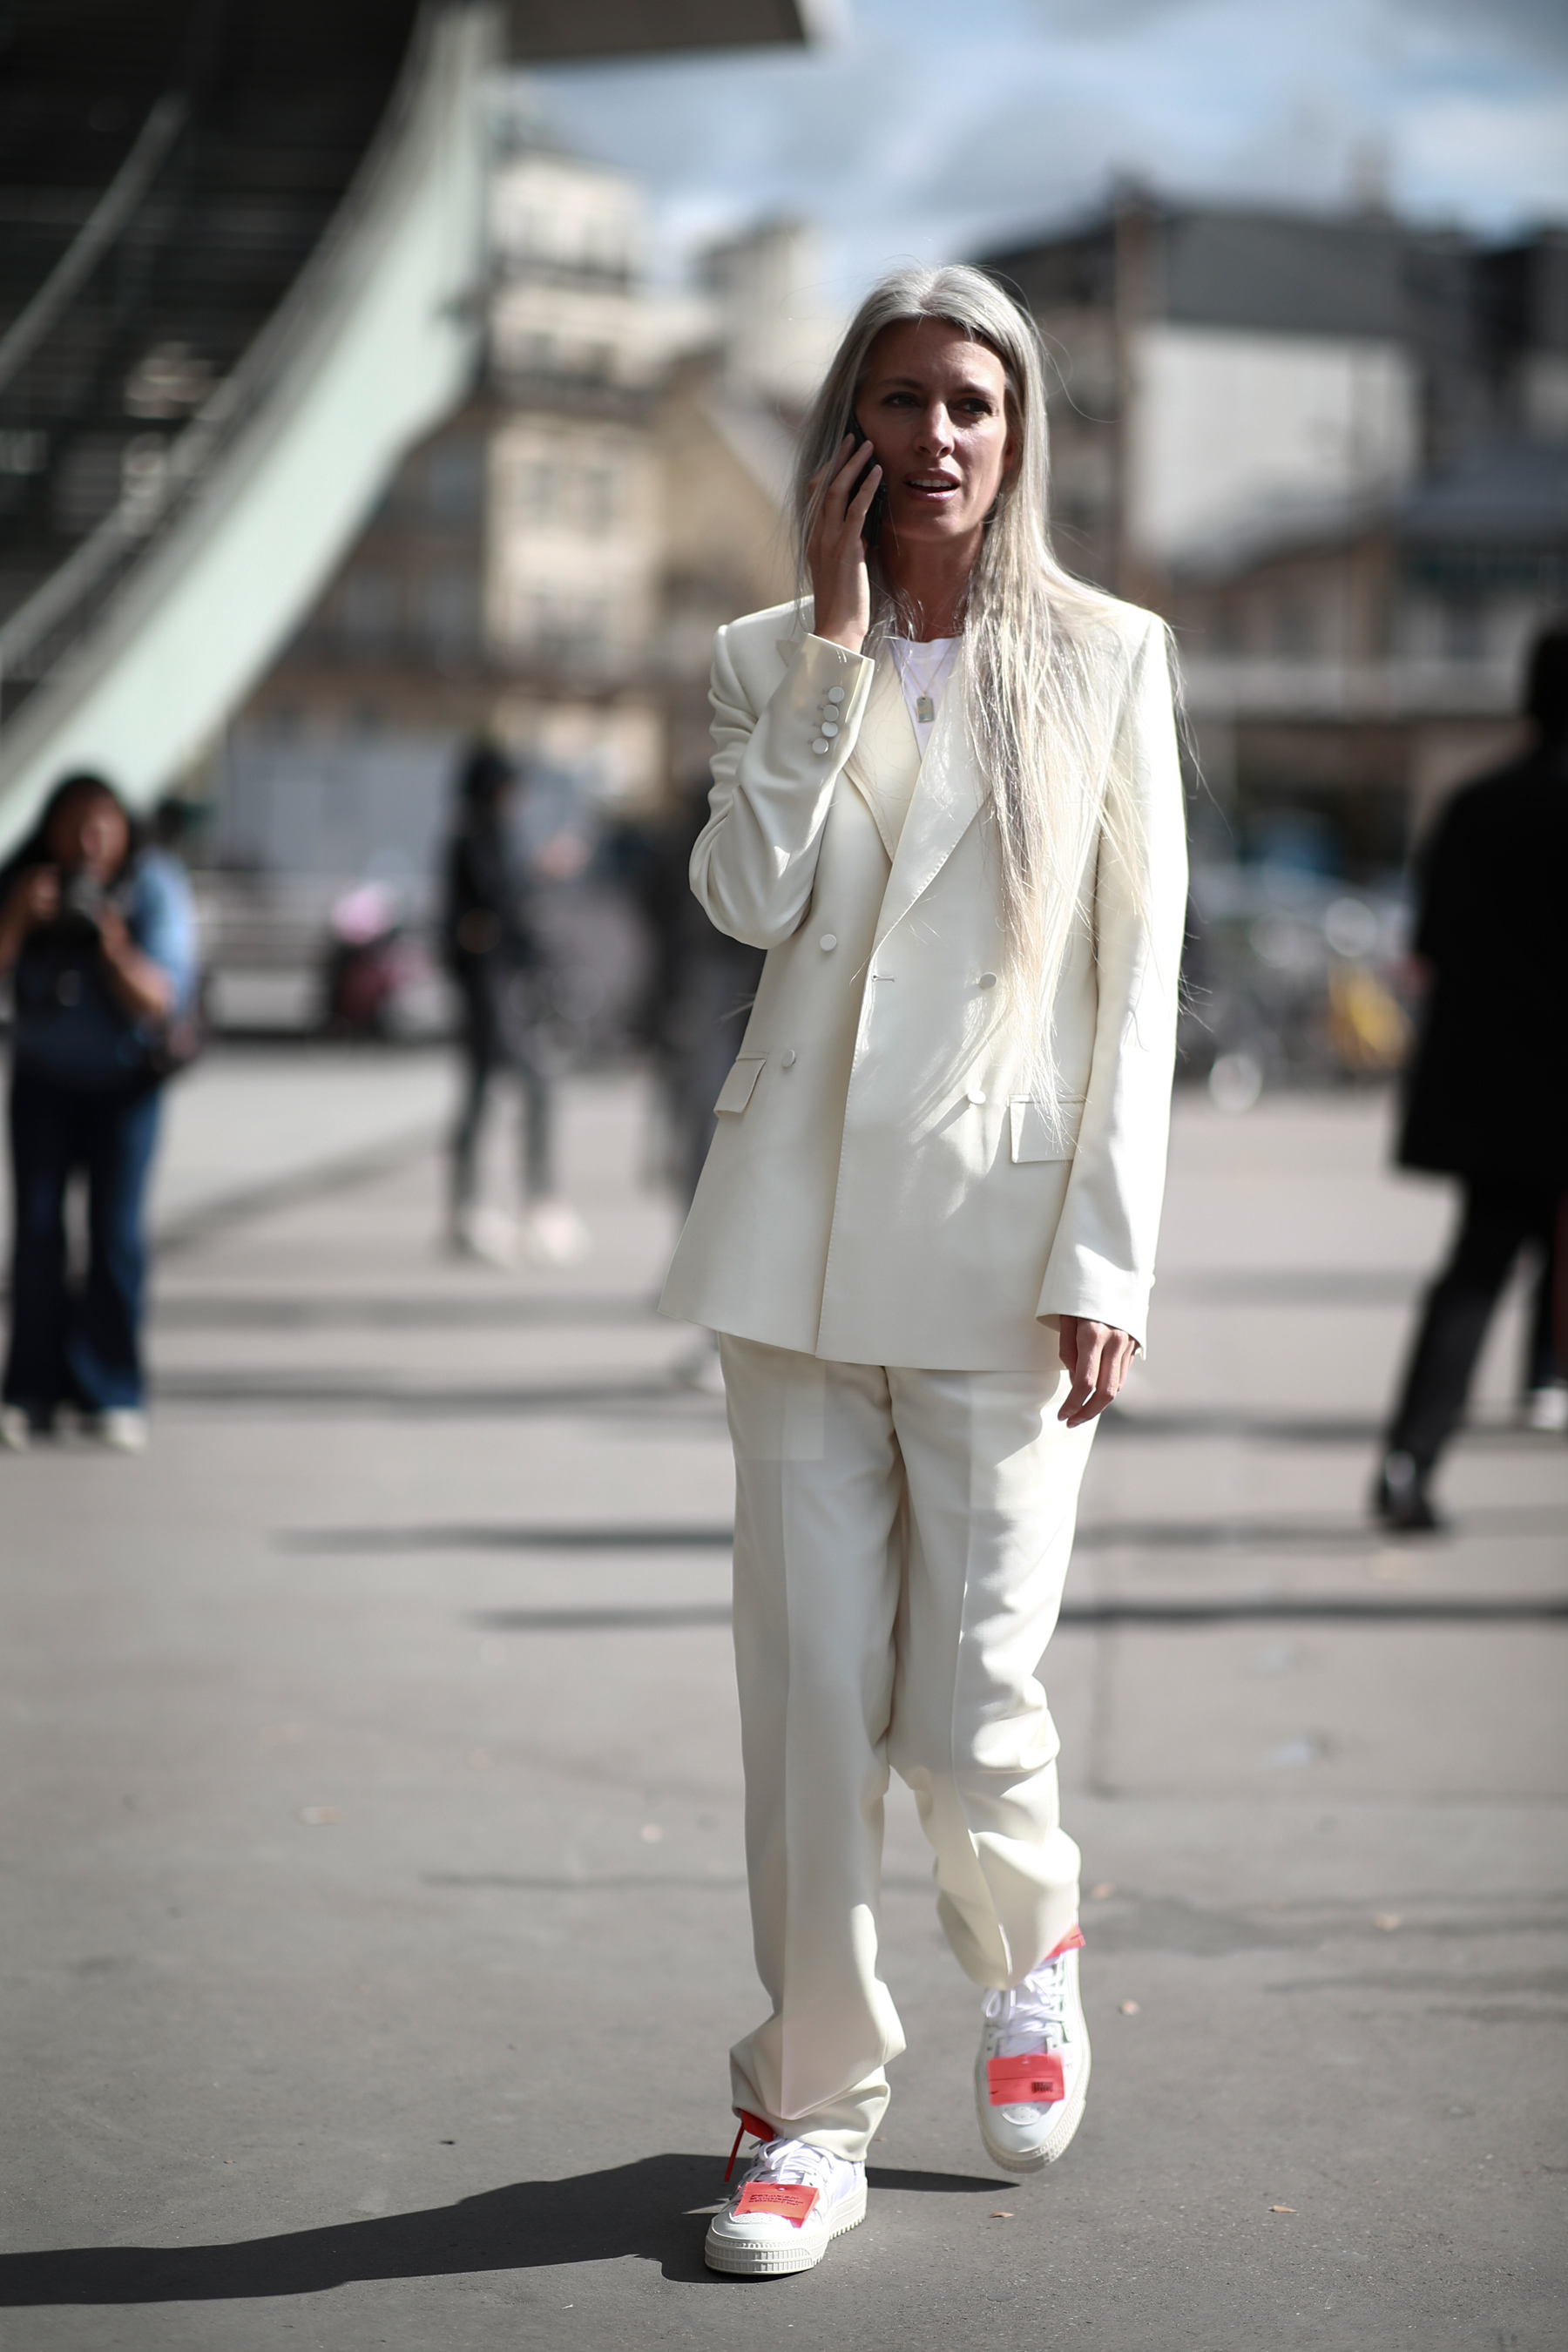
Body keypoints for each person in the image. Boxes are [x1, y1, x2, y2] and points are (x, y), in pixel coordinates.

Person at [657, 266, 1186, 2276]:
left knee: (967, 1703)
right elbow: (744, 897)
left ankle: (1027, 1936)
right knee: (807, 1716)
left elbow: (1138, 988)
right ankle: (807, 2111)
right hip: (789, 1256)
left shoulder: (1111, 657)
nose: (939, 433)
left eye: (973, 400)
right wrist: (827, 645)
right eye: (902, 398)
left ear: (1017, 427)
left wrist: (1108, 1252)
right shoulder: (767, 656)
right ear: (851, 426)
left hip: (1006, 1256)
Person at [1375, 624, 1568, 1531]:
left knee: (1475, 1271)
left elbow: (1430, 948)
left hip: (1500, 1096)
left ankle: (1409, 1459)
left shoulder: (1475, 806)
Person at [0, 772, 198, 1452]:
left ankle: (112, 1389)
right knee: (36, 1235)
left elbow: (163, 997)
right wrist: (18, 920)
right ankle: (30, 1389)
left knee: (115, 1238)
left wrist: (111, 943)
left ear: (123, 829)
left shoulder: (150, 886)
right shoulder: (26, 882)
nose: (88, 840)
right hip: (42, 1082)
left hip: (125, 1087)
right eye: (74, 823)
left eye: (102, 823)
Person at [438, 742, 587, 1269]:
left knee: (483, 1096)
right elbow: (501, 903)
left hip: (490, 985)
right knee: (530, 1087)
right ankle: (531, 1203)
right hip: (489, 986)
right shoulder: (478, 837)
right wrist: (541, 870)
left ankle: (470, 1208)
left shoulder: (478, 834)